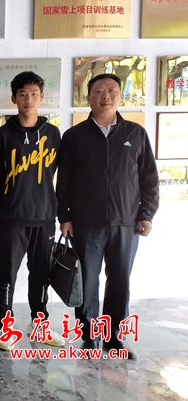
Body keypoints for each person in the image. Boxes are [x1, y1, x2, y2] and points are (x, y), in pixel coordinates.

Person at [57, 73, 159, 359]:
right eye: (99, 91)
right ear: (88, 98)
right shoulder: (74, 136)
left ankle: (114, 337)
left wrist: (147, 213)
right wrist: (64, 217)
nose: (105, 96)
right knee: (87, 282)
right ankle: (90, 337)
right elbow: (63, 181)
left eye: (112, 90)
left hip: (126, 223)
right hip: (85, 223)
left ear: (119, 96)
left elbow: (149, 178)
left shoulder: (135, 134)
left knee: (120, 281)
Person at [0, 71, 65, 351]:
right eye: (22, 94)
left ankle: (39, 324)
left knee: (42, 275)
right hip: (12, 219)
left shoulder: (53, 134)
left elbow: (60, 176)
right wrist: (6, 206)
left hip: (45, 218)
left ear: (42, 97)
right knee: (7, 274)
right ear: (13, 98)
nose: (28, 99)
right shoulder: (1, 136)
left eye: (33, 94)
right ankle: (5, 327)